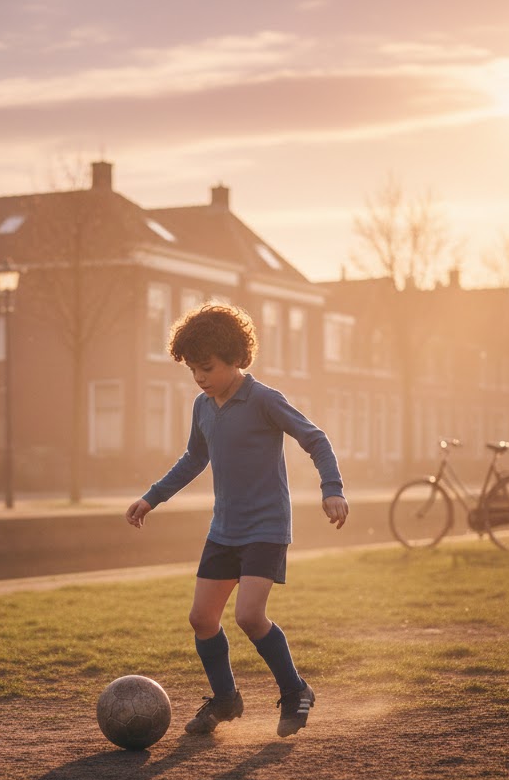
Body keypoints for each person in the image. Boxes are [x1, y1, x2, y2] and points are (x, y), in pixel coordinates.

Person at [125, 304, 348, 738]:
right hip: (223, 529)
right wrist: (151, 498)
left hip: (266, 527)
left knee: (249, 615)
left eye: (206, 367)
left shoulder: (264, 399)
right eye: (192, 369)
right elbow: (194, 458)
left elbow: (315, 439)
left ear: (235, 358)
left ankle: (296, 689)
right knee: (202, 619)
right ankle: (226, 699)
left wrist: (332, 488)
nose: (199, 378)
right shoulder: (203, 407)